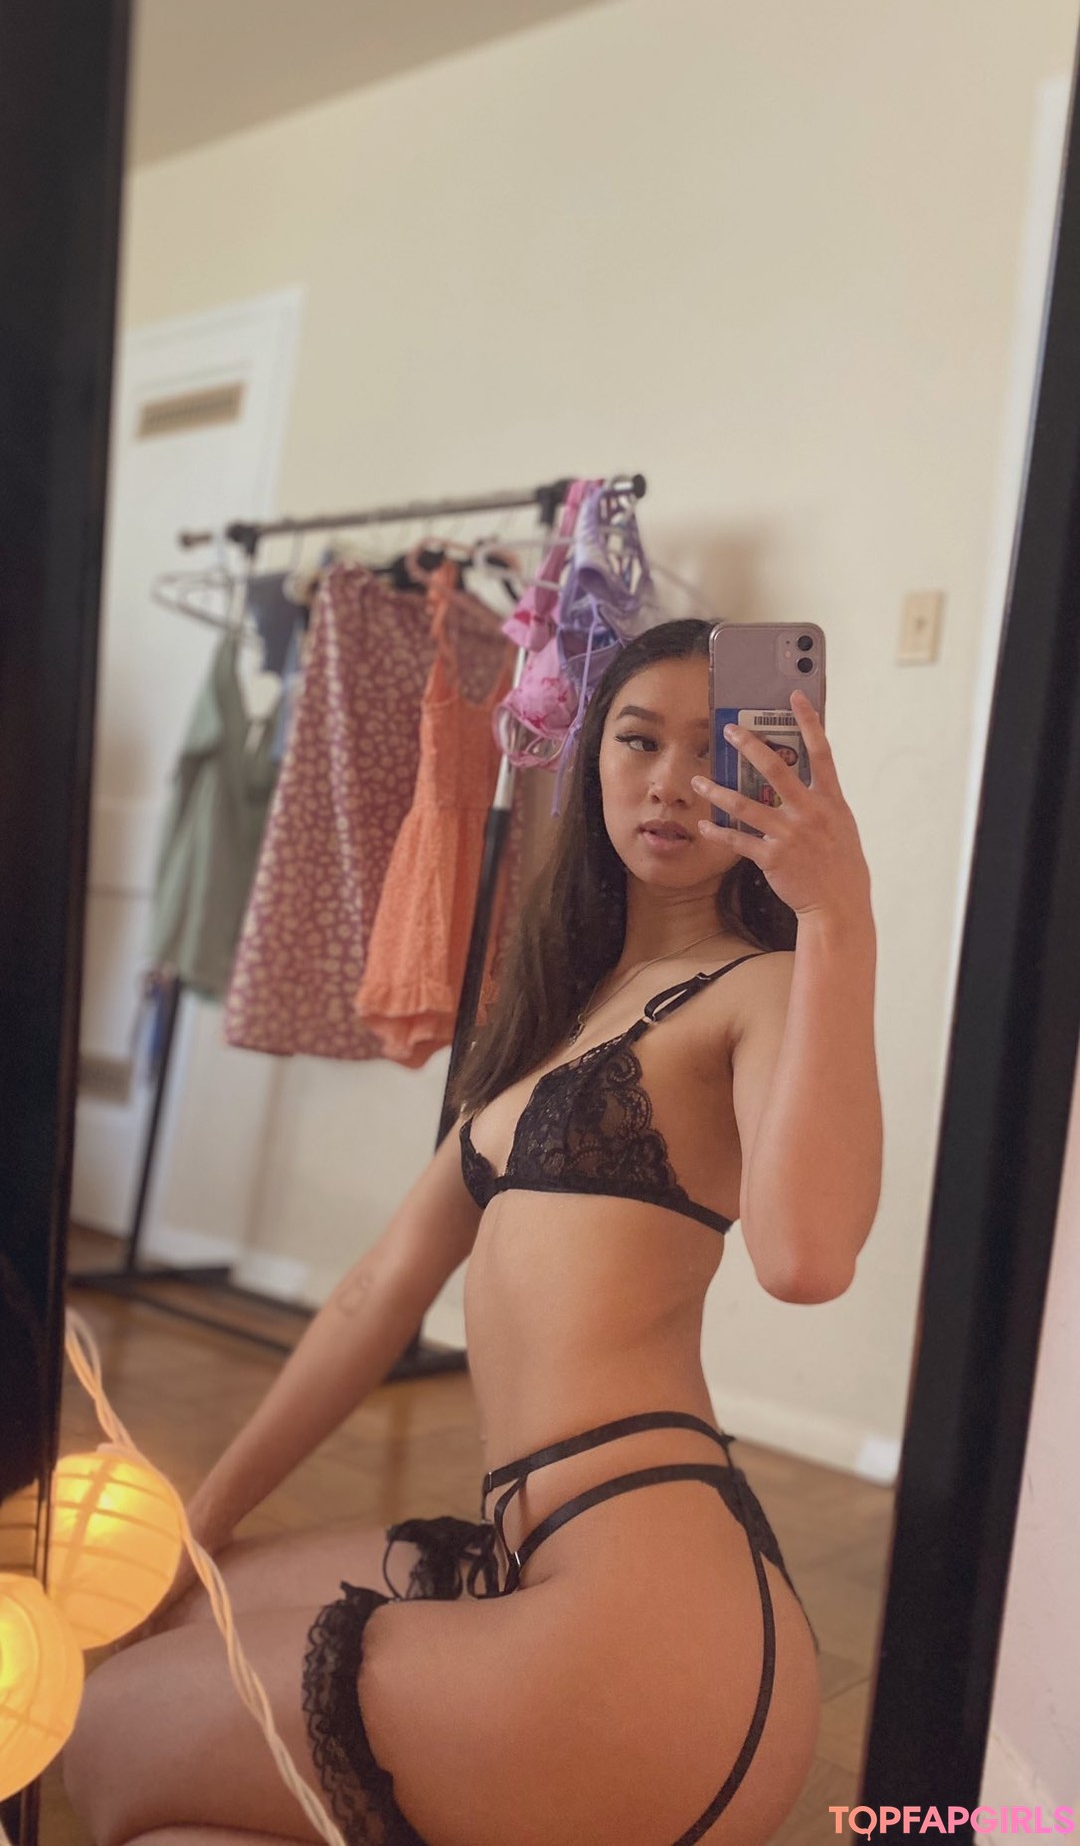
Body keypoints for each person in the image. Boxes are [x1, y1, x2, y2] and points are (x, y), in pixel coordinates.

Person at [64, 617, 883, 1846]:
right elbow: (375, 1293)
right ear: (591, 760)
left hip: (654, 1628)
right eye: (637, 740)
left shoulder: (759, 988)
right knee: (188, 1632)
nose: (670, 782)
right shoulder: (566, 1010)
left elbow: (806, 1261)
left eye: (710, 747)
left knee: (108, 1733)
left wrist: (838, 915)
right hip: (534, 1566)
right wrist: (200, 1522)